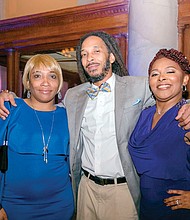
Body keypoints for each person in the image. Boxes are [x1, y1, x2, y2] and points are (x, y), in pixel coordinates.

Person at [1, 32, 190, 220]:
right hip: (86, 189)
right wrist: (7, 96)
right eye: (83, 54)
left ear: (112, 56)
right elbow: (44, 108)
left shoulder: (139, 86)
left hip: (122, 191)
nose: (89, 58)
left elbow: (168, 94)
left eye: (96, 51)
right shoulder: (74, 96)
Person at [0, 54, 74, 220]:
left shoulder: (68, 115)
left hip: (60, 206)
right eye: (37, 76)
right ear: (28, 82)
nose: (45, 82)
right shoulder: (10, 108)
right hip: (14, 206)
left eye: (52, 76)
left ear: (59, 83)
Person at [128, 48, 190, 219]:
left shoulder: (186, 118)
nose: (161, 77)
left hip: (177, 211)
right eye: (155, 74)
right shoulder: (145, 114)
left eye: (170, 71)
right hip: (147, 208)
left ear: (185, 79)